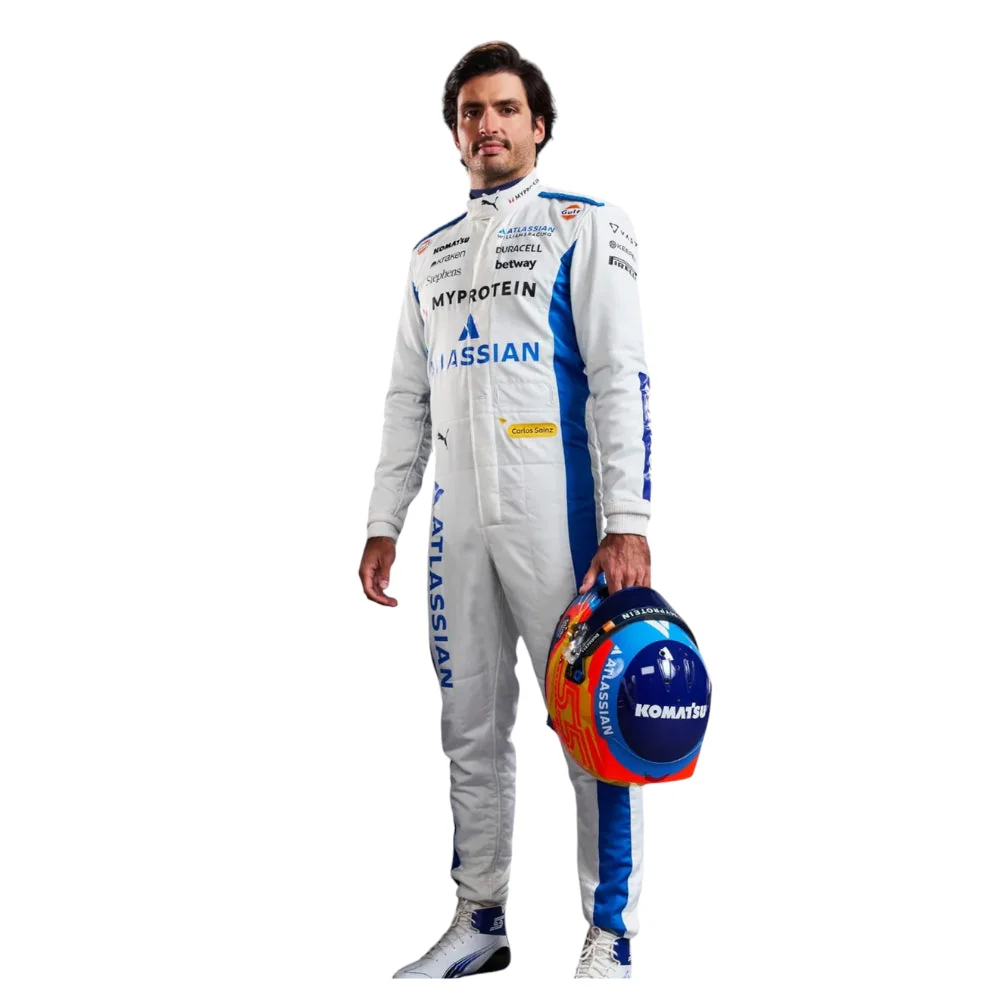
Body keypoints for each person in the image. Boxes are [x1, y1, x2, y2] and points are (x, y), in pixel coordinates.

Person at [359, 41, 653, 980]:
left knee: (591, 719)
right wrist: (384, 519)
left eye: (505, 109)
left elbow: (619, 376)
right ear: (455, 134)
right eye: (470, 113)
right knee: (470, 726)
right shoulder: (430, 256)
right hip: (458, 522)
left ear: (539, 125)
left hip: (556, 513)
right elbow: (407, 398)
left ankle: (611, 934)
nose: (487, 125)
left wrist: (629, 522)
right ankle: (479, 918)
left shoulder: (585, 227)